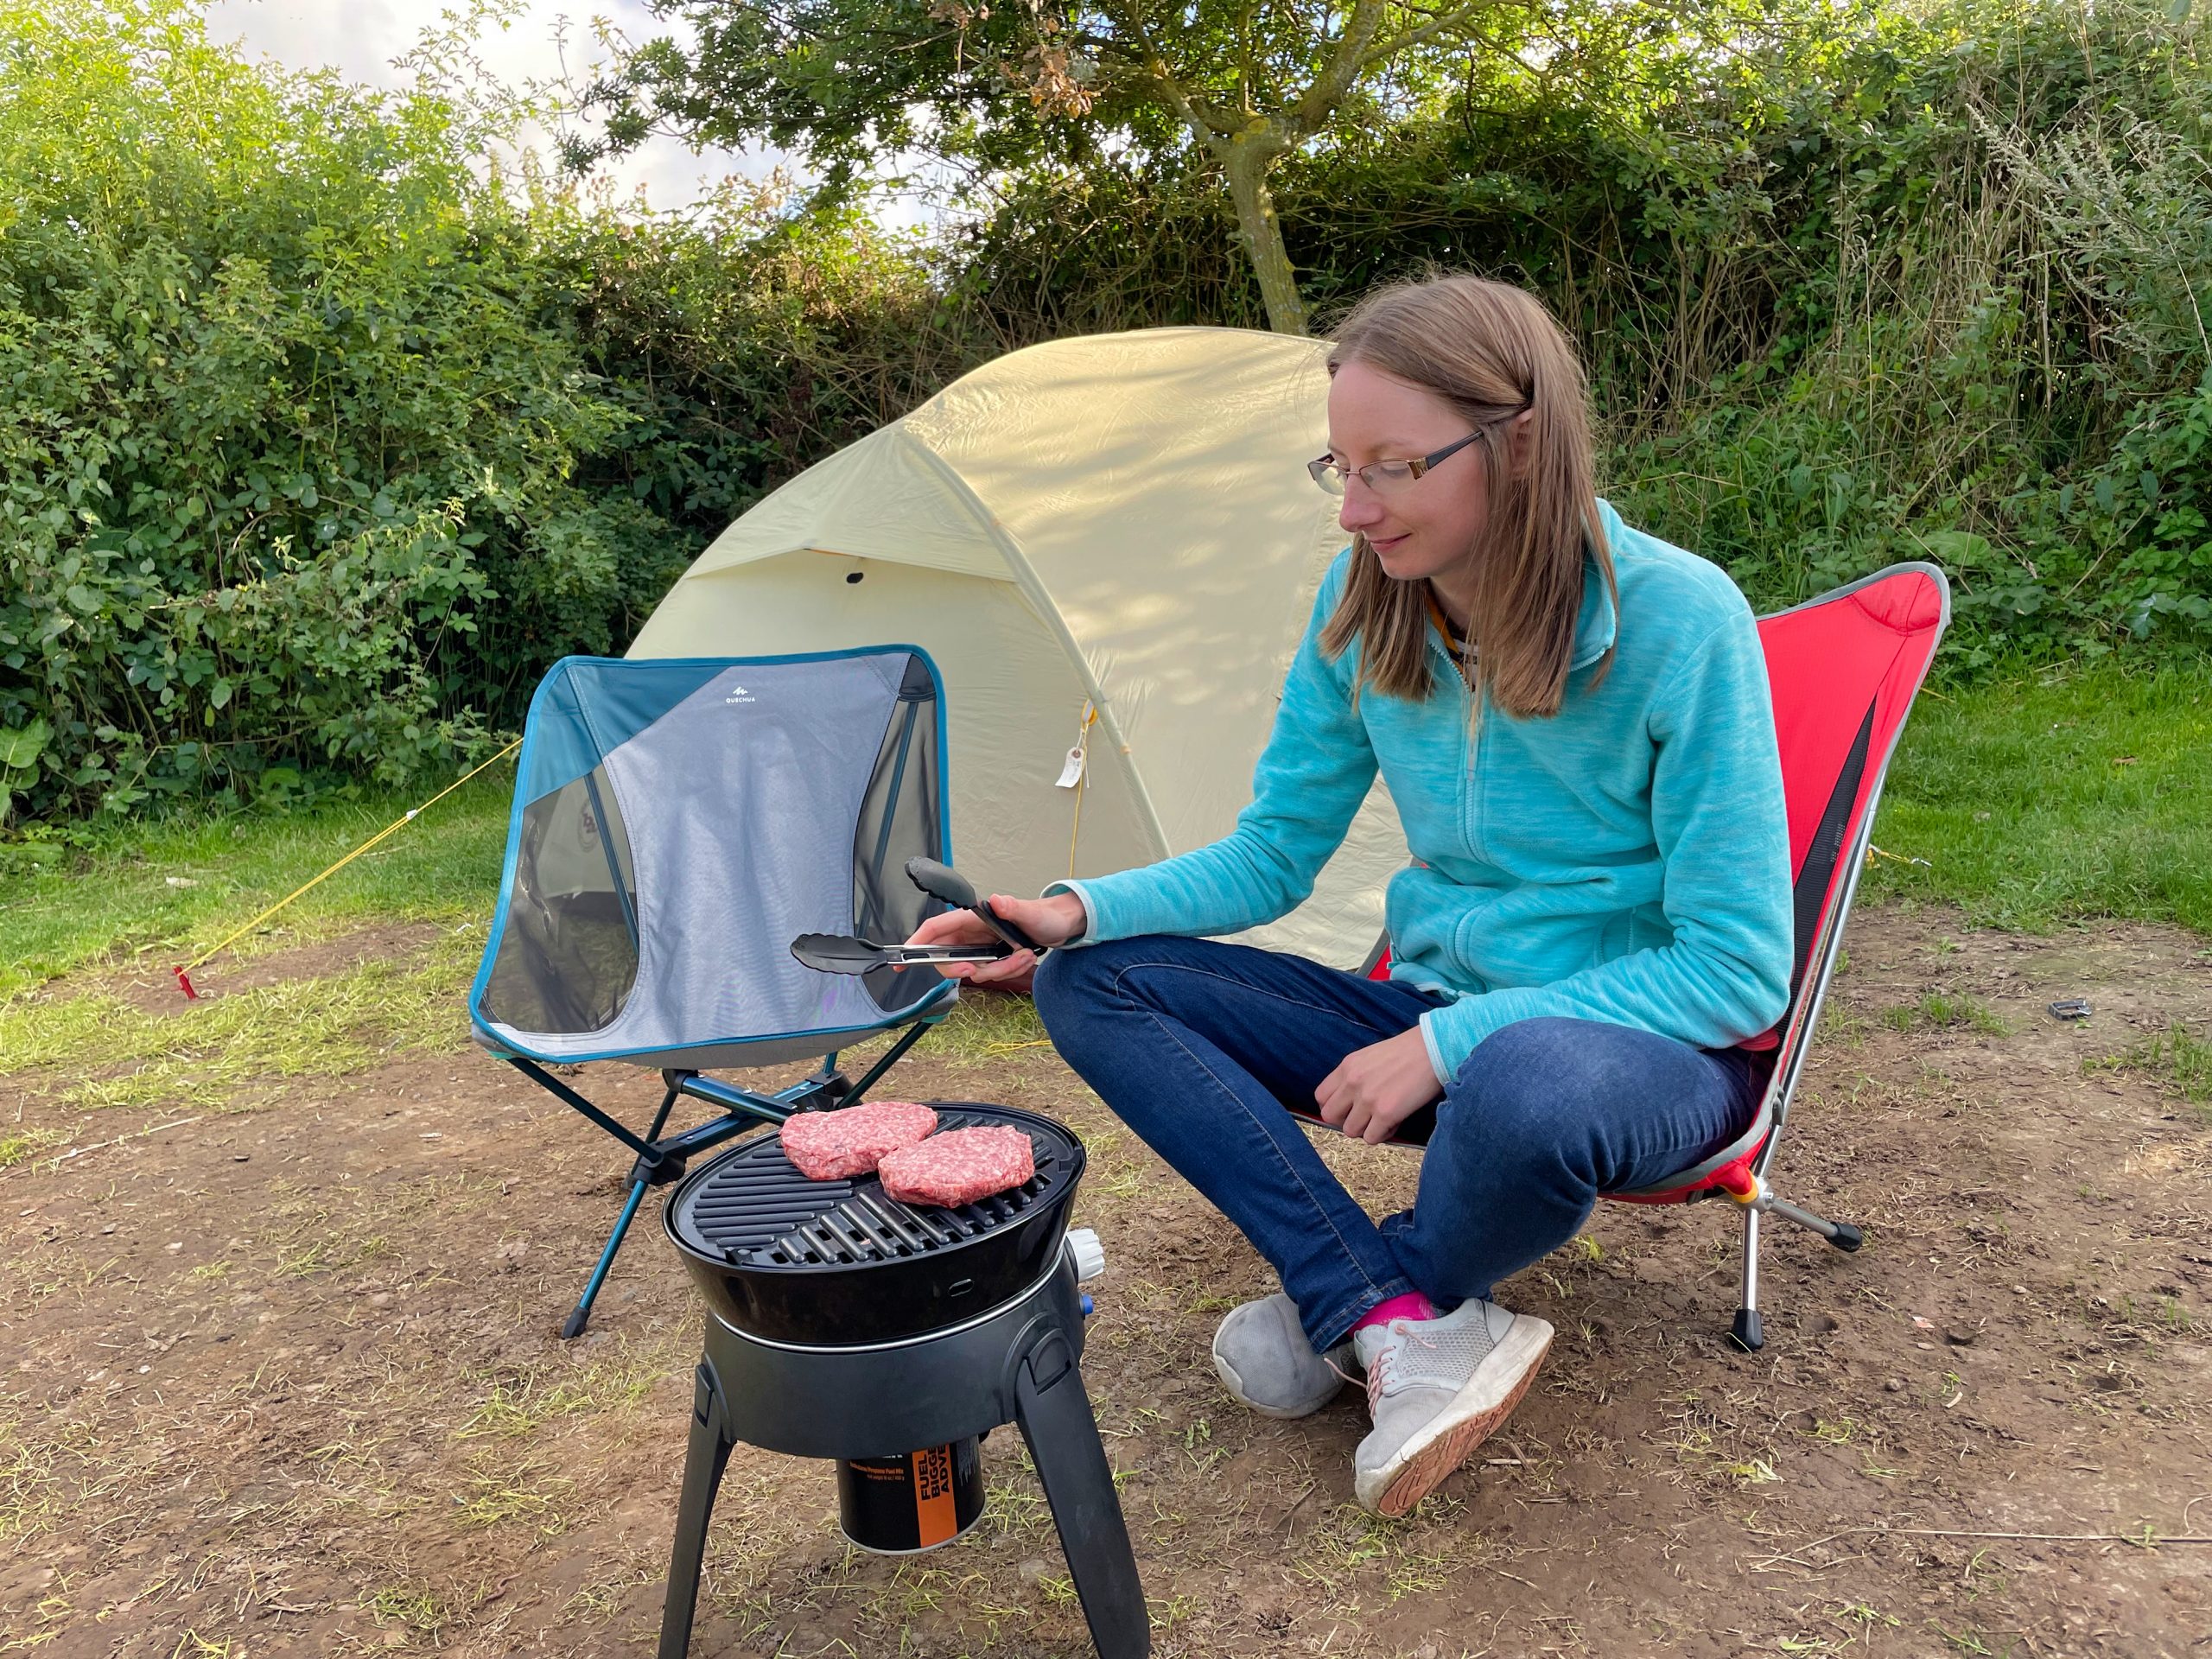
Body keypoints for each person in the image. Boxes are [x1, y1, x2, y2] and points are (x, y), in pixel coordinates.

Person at [905, 274, 1793, 1517]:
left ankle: (1383, 1293)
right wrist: (1073, 909)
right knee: (1093, 983)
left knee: (1528, 1070)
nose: (1355, 512)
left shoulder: (1680, 622)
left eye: (1392, 468)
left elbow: (1736, 969)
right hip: (1445, 1019)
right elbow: (1274, 853)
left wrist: (1447, 1039)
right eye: (1339, 468)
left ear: (1518, 443)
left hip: (1634, 1056)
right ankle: (1384, 1312)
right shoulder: (1367, 609)